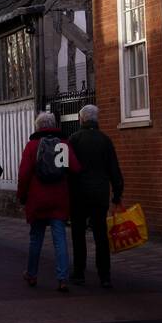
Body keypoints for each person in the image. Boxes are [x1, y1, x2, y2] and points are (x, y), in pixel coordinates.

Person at [17, 111, 81, 291]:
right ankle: (62, 278)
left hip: (38, 198)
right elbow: (75, 168)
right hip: (59, 197)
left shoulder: (32, 146)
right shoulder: (63, 144)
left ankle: (31, 274)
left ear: (38, 126)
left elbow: (24, 174)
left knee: (36, 238)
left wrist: (22, 195)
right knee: (60, 239)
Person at [68, 103, 124, 290]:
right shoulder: (105, 140)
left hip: (78, 194)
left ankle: (79, 272)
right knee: (101, 235)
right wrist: (117, 194)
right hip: (100, 193)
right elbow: (114, 169)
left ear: (81, 119)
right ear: (96, 120)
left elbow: (66, 168)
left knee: (78, 234)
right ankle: (104, 275)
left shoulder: (73, 140)